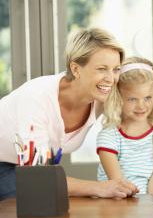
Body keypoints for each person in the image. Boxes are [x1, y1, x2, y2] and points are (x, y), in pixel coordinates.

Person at [0, 28, 137, 201]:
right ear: (76, 69)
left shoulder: (101, 94)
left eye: (116, 69)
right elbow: (39, 176)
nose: (111, 79)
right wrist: (99, 187)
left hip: (27, 169)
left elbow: (144, 93)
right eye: (102, 69)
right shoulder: (36, 98)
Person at [96, 57, 153, 195]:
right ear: (117, 98)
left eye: (147, 98)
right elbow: (119, 186)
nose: (141, 106)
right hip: (118, 204)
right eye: (132, 99)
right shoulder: (109, 136)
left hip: (149, 205)